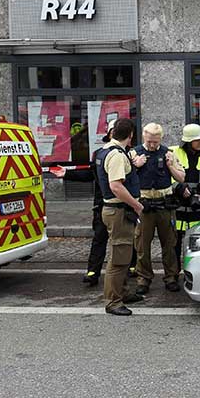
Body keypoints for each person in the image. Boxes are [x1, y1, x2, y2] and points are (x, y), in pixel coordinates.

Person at [50, 120, 137, 287]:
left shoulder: (129, 153)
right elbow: (91, 174)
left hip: (123, 205)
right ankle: (93, 271)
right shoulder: (101, 153)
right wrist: (67, 174)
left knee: (126, 238)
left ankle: (131, 267)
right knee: (100, 238)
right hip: (104, 203)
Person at [95, 118, 145, 316]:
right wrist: (136, 205)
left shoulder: (105, 151)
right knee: (118, 258)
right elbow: (116, 186)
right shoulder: (116, 155)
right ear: (130, 135)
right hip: (119, 211)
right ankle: (113, 302)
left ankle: (122, 292)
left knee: (123, 255)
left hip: (115, 210)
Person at [130, 123, 186, 294]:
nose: (152, 145)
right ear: (143, 137)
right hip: (144, 204)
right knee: (142, 245)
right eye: (149, 141)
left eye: (155, 141)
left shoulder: (169, 153)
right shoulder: (134, 153)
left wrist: (170, 166)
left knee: (169, 244)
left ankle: (171, 277)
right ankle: (143, 278)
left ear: (161, 138)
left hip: (164, 205)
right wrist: (135, 166)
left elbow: (181, 178)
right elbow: (124, 178)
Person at [170, 124, 200, 267]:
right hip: (177, 205)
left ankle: (194, 271)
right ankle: (174, 272)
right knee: (174, 243)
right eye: (196, 140)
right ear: (187, 142)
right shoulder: (173, 152)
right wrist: (178, 188)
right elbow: (167, 177)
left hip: (198, 206)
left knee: (197, 243)